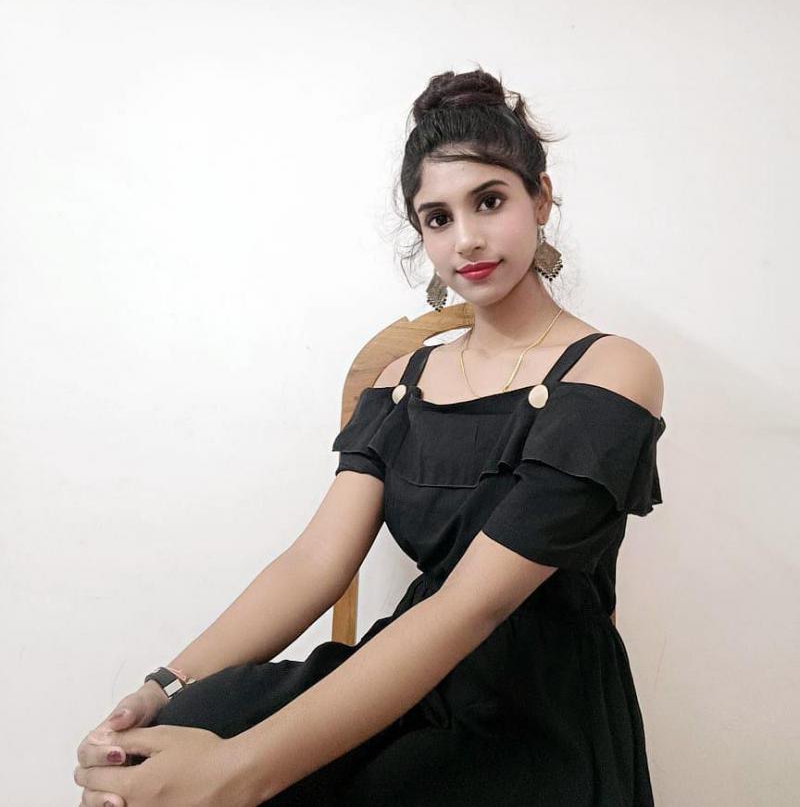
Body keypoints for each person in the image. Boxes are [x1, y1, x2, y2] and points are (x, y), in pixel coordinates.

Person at [74, 67, 666, 806]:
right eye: (437, 218)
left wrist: (240, 770)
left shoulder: (611, 371)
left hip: (534, 707)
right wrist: (163, 688)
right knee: (169, 740)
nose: (467, 239)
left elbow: (470, 606)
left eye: (489, 201)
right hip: (401, 671)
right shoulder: (400, 382)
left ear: (540, 197)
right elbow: (314, 563)